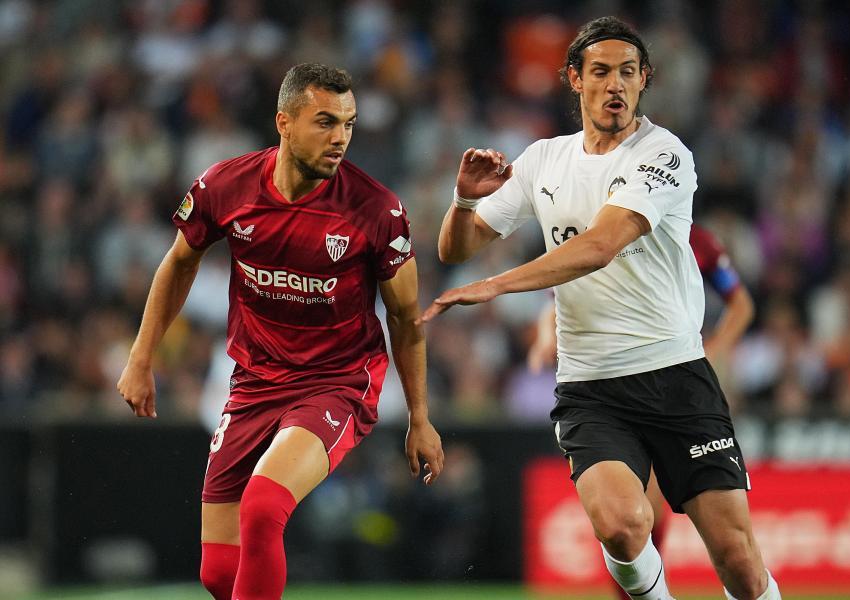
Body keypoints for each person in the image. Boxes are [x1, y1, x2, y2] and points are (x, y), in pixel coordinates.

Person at [421, 17, 779, 600]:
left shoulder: (663, 153)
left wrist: (498, 285)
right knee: (622, 526)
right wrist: (462, 200)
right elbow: (454, 249)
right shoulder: (543, 160)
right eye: (602, 71)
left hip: (675, 376)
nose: (616, 84)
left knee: (738, 560)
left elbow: (600, 245)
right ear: (574, 79)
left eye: (628, 72)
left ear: (645, 80)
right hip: (591, 385)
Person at [117, 63, 444, 600]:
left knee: (264, 506)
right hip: (254, 383)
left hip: (335, 383)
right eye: (325, 122)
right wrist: (140, 358)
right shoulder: (226, 186)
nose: (340, 138)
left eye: (349, 124)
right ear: (284, 123)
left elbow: (406, 318)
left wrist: (420, 417)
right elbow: (179, 262)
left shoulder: (376, 210)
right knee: (219, 573)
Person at [527, 223, 756, 600]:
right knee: (631, 515)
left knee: (732, 550)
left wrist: (714, 349)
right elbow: (556, 297)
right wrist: (546, 336)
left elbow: (741, 303)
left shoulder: (694, 238)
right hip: (614, 389)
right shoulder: (600, 233)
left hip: (682, 386)